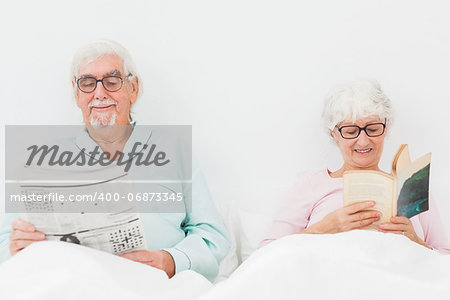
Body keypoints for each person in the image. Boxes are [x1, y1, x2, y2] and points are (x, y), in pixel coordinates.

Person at [0, 39, 230, 282]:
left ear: (133, 88)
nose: (99, 94)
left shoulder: (174, 152)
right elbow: (5, 241)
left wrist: (171, 261)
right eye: (87, 83)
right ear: (77, 94)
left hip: (157, 287)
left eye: (112, 81)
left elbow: (212, 235)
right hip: (73, 286)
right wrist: (16, 249)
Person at [260, 79, 450, 253]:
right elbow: (266, 254)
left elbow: (444, 260)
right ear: (334, 133)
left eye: (373, 129)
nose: (363, 141)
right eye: (351, 131)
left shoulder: (412, 185)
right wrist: (322, 229)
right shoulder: (312, 184)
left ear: (386, 127)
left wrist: (416, 242)